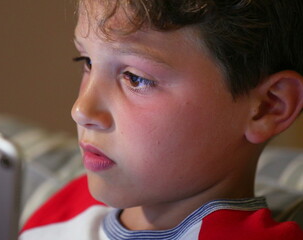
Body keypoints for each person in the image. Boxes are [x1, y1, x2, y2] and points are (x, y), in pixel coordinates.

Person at [19, 0, 303, 239]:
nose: (81, 110)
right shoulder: (65, 207)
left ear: (268, 107)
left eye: (135, 78)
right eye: (88, 63)